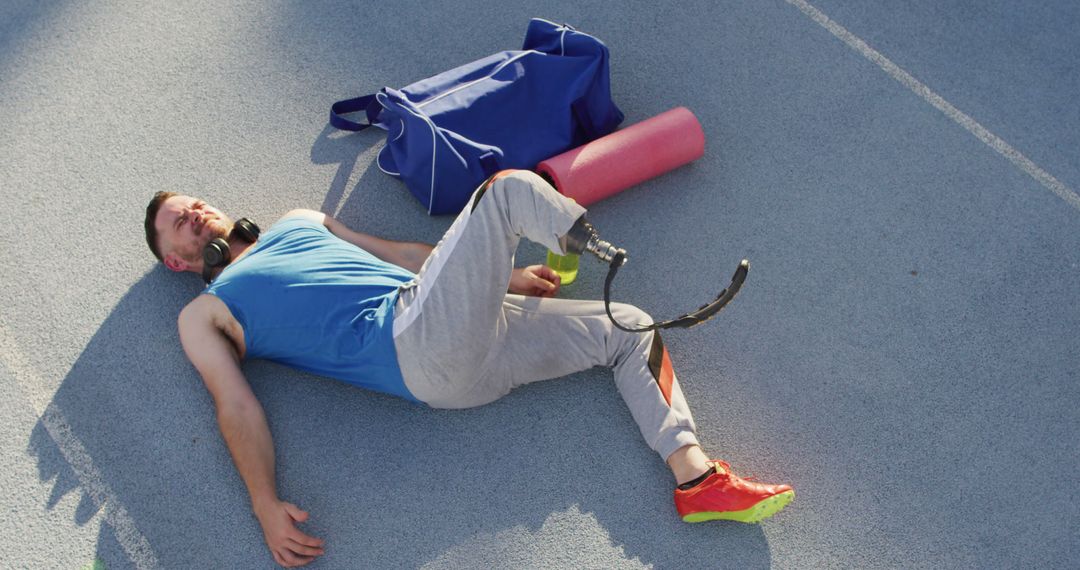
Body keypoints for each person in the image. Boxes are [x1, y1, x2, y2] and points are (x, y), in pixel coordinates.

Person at [145, 170, 793, 567]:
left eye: (193, 203)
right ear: (176, 261)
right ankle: (585, 242)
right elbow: (234, 405)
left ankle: (697, 481)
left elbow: (399, 254)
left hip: (461, 336)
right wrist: (263, 503)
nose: (193, 215)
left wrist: (502, 277)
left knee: (628, 327)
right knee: (506, 191)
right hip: (412, 346)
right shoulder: (206, 312)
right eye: (178, 224)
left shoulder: (298, 221)